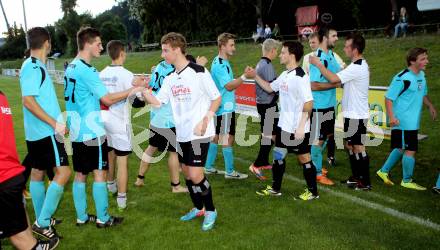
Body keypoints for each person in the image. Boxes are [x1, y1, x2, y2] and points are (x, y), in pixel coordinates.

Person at [142, 32, 225, 231]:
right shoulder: (170, 78)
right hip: (182, 133)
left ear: (177, 50)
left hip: (200, 133)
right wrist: (144, 91)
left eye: (165, 51)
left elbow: (216, 98)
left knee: (196, 174)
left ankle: (211, 210)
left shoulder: (199, 71)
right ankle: (198, 208)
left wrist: (207, 119)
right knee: (187, 173)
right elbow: (158, 102)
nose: (163, 55)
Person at [65, 27, 143, 228]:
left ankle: (81, 217)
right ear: (88, 44)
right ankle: (103, 218)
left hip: (75, 129)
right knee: (99, 172)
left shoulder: (71, 67)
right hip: (91, 129)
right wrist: (132, 90)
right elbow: (107, 99)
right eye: (98, 43)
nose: (101, 47)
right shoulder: (87, 70)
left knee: (81, 174)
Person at [250, 41, 319, 200]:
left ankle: (313, 192)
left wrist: (301, 126)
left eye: (283, 52)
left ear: (292, 55)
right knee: (278, 155)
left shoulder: (301, 76)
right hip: (284, 126)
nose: (280, 55)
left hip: (298, 128)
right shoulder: (285, 74)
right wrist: (255, 75)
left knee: (304, 158)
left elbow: (309, 103)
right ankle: (275, 189)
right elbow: (269, 88)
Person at [19, 27, 70, 240]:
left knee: (38, 173)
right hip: (46, 132)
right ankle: (42, 222)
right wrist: (54, 123)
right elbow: (28, 101)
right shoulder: (32, 67)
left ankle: (43, 217)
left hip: (37, 133)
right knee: (64, 173)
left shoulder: (34, 66)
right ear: (47, 42)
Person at [310, 33, 372, 190]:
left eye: (347, 46)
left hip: (357, 115)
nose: (344, 48)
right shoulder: (355, 66)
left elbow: (333, 79)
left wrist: (319, 65)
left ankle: (365, 182)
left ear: (355, 49)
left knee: (358, 147)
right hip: (351, 114)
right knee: (349, 145)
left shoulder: (358, 67)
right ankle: (356, 177)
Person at [0, 91, 59, 250]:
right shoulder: (2, 96)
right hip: (9, 175)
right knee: (20, 231)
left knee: (20, 232)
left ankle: (34, 244)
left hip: (6, 175)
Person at [376, 47, 437, 190]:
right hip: (403, 121)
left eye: (426, 58)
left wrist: (430, 106)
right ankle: (407, 180)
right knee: (410, 150)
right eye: (423, 59)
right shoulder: (402, 77)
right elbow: (389, 98)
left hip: (412, 121)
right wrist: (392, 117)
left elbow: (423, 93)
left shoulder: (421, 75)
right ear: (412, 61)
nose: (426, 61)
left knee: (400, 147)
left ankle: (383, 171)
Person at [100, 40, 146, 210]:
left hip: (103, 119)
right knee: (122, 160)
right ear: (122, 53)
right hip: (119, 121)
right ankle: (121, 198)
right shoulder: (127, 75)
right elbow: (136, 102)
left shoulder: (101, 73)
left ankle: (110, 185)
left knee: (109, 154)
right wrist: (142, 90)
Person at [134, 58, 188, 193]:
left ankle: (140, 179)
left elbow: (151, 85)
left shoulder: (159, 65)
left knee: (151, 148)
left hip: (156, 117)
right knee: (174, 153)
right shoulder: (175, 70)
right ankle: (176, 186)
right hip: (169, 118)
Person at [204, 33, 249, 179]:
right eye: (231, 45)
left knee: (216, 137)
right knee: (227, 138)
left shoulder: (220, 62)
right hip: (224, 108)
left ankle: (208, 167)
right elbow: (229, 86)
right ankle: (230, 172)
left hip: (220, 106)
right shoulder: (220, 65)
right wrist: (244, 77)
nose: (234, 48)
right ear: (222, 46)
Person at [309, 27, 342, 185]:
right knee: (318, 140)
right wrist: (335, 85)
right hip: (319, 107)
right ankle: (316, 173)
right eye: (333, 36)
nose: (336, 38)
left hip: (329, 105)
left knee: (327, 137)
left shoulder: (331, 55)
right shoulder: (319, 58)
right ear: (325, 38)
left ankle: (312, 163)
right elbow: (314, 85)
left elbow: (338, 75)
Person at [248, 38, 281, 180]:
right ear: (272, 50)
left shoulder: (262, 63)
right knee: (269, 135)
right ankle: (255, 165)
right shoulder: (266, 65)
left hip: (265, 104)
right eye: (277, 51)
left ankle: (262, 161)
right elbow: (271, 87)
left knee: (272, 134)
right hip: (267, 104)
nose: (277, 54)